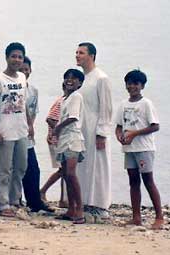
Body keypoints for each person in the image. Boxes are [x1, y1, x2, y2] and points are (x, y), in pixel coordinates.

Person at [0, 42, 34, 217]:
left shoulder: (22, 78)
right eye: (13, 56)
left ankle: (15, 200)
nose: (16, 60)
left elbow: (24, 103)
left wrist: (30, 125)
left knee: (21, 166)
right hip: (5, 131)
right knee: (5, 168)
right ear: (7, 58)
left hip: (21, 130)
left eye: (20, 57)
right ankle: (3, 203)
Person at [115, 69, 163, 230]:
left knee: (148, 181)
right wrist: (119, 136)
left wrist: (135, 133)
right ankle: (136, 217)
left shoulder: (146, 104)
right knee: (133, 181)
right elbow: (119, 126)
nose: (132, 86)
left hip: (144, 148)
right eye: (129, 83)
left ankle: (159, 217)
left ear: (142, 85)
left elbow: (155, 126)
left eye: (135, 84)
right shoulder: (123, 104)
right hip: (129, 149)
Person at [75, 42, 112, 217]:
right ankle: (83, 201)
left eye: (81, 53)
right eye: (76, 52)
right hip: (81, 128)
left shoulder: (101, 78)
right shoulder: (82, 78)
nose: (77, 55)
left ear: (92, 56)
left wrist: (102, 133)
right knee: (83, 165)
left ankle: (99, 204)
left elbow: (106, 107)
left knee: (98, 166)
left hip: (95, 129)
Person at [19, 56, 54, 212]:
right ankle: (15, 200)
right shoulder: (12, 87)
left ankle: (34, 201)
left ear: (30, 70)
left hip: (28, 134)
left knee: (33, 169)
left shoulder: (33, 90)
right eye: (21, 69)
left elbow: (33, 111)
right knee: (15, 169)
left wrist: (31, 126)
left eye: (26, 69)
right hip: (15, 133)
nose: (24, 72)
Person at [54, 69, 85, 224]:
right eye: (67, 78)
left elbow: (73, 117)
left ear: (80, 83)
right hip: (64, 140)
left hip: (73, 139)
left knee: (71, 174)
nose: (70, 80)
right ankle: (71, 209)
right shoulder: (65, 98)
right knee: (66, 174)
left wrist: (58, 128)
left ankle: (80, 210)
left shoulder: (76, 96)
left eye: (74, 79)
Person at [40, 84, 68, 208]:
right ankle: (43, 191)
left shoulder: (68, 101)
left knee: (65, 170)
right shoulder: (61, 101)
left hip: (60, 140)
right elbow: (50, 119)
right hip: (56, 141)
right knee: (63, 170)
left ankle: (63, 199)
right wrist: (57, 131)